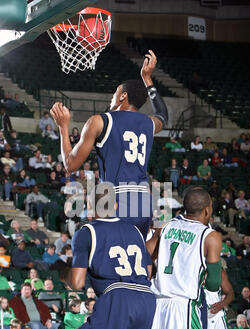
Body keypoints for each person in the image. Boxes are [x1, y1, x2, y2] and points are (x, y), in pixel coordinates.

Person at [50, 50, 168, 240]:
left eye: (115, 93)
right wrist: (147, 79)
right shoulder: (149, 123)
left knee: (106, 258)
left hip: (116, 199)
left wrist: (63, 128)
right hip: (143, 201)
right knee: (136, 257)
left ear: (123, 96)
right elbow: (163, 115)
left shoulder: (99, 121)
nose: (112, 97)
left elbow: (70, 165)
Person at [60, 185, 156, 329]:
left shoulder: (86, 232)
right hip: (145, 300)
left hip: (118, 298)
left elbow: (77, 283)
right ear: (114, 205)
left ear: (90, 206)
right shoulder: (134, 230)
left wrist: (65, 275)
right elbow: (149, 271)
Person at [134, 188, 222, 329]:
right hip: (183, 310)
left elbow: (145, 253)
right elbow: (213, 284)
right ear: (207, 210)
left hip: (156, 305)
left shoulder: (166, 226)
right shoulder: (210, 236)